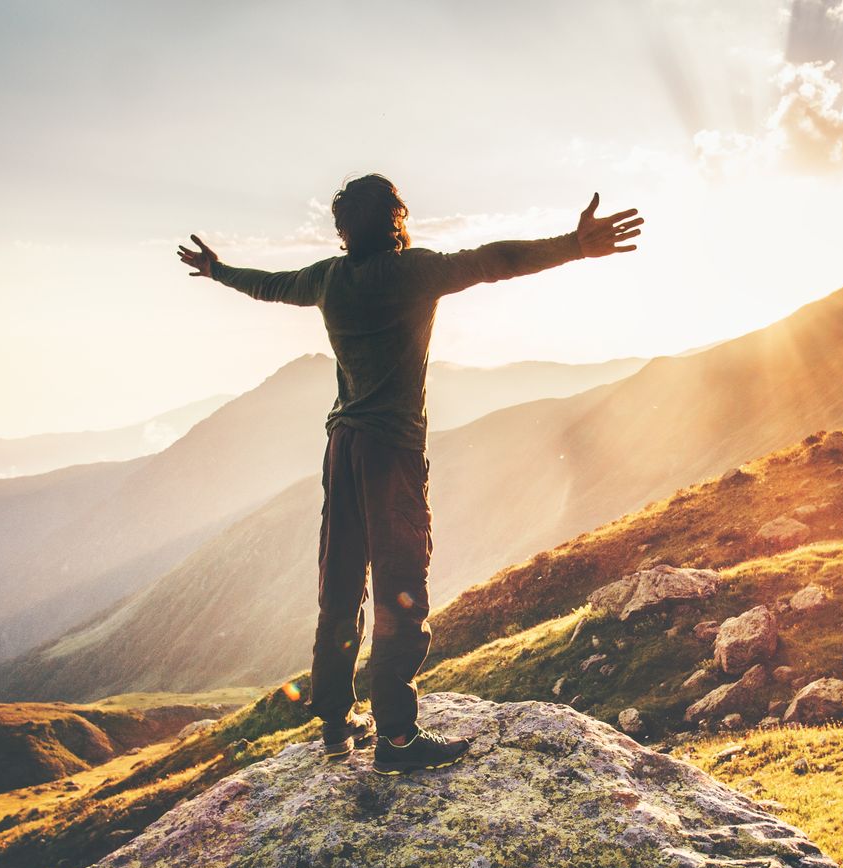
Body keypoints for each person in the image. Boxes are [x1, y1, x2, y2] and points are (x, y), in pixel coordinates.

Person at [177, 175, 642, 773]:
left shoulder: (327, 278)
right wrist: (574, 246)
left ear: (344, 232)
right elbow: (493, 261)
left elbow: (269, 286)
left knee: (340, 583)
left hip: (341, 447)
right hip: (389, 452)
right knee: (401, 584)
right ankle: (397, 738)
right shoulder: (412, 272)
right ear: (396, 218)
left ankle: (336, 728)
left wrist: (218, 271)